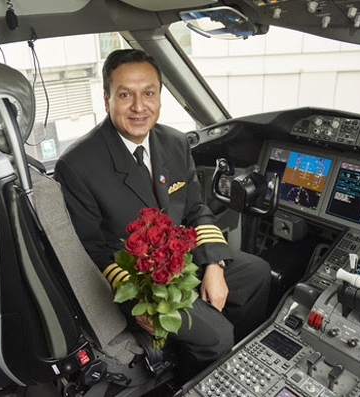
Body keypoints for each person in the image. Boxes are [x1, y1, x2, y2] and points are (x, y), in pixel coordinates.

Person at [54, 48, 271, 379]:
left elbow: (195, 209)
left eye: (149, 93)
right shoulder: (78, 165)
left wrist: (213, 263)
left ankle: (234, 362)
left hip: (181, 261)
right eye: (125, 95)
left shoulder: (174, 141)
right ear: (106, 99)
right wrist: (141, 303)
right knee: (217, 337)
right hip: (139, 283)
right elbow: (91, 251)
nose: (139, 106)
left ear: (159, 96)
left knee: (257, 272)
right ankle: (195, 378)